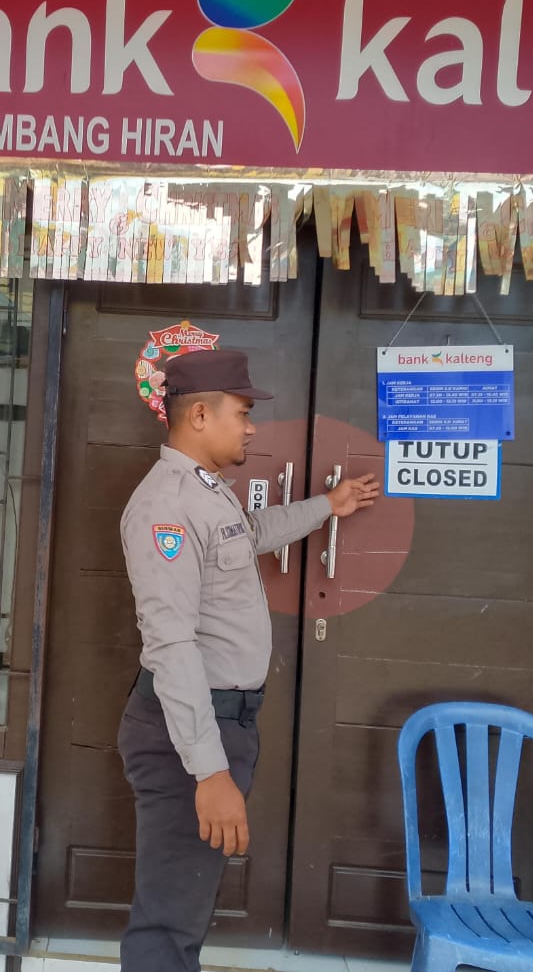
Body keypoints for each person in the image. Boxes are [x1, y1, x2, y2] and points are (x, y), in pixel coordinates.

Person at [117, 347, 379, 972]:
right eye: (242, 413)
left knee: (185, 907)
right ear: (199, 416)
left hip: (217, 721)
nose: (252, 427)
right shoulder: (165, 507)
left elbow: (252, 534)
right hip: (189, 732)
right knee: (169, 920)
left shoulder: (206, 493)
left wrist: (328, 505)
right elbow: (172, 646)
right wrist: (209, 772)